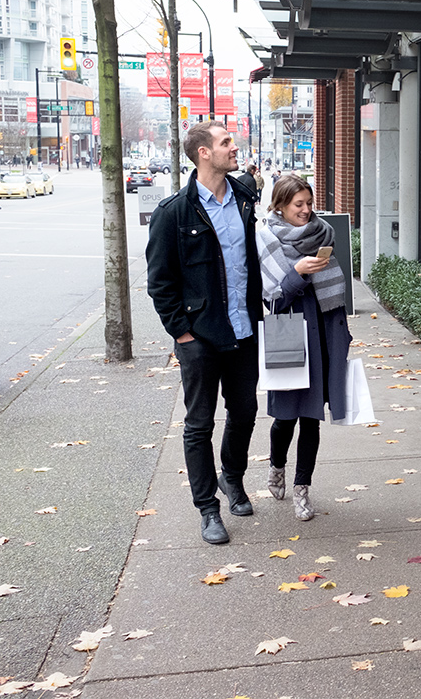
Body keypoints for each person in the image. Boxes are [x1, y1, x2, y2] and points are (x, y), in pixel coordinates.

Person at [145, 121, 263, 545]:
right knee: (198, 424)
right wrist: (182, 335)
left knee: (245, 411)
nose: (235, 147)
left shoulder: (246, 198)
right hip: (200, 337)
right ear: (203, 154)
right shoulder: (174, 213)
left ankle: (232, 478)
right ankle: (208, 510)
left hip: (244, 330)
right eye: (226, 142)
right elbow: (160, 282)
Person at [256, 174, 350, 521]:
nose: (307, 211)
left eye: (310, 204)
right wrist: (297, 272)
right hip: (290, 335)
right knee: (284, 420)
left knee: (312, 421)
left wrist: (344, 337)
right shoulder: (266, 239)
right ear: (280, 205)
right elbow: (273, 299)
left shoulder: (323, 233)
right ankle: (276, 466)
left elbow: (336, 293)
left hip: (324, 334)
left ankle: (302, 491)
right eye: (299, 205)